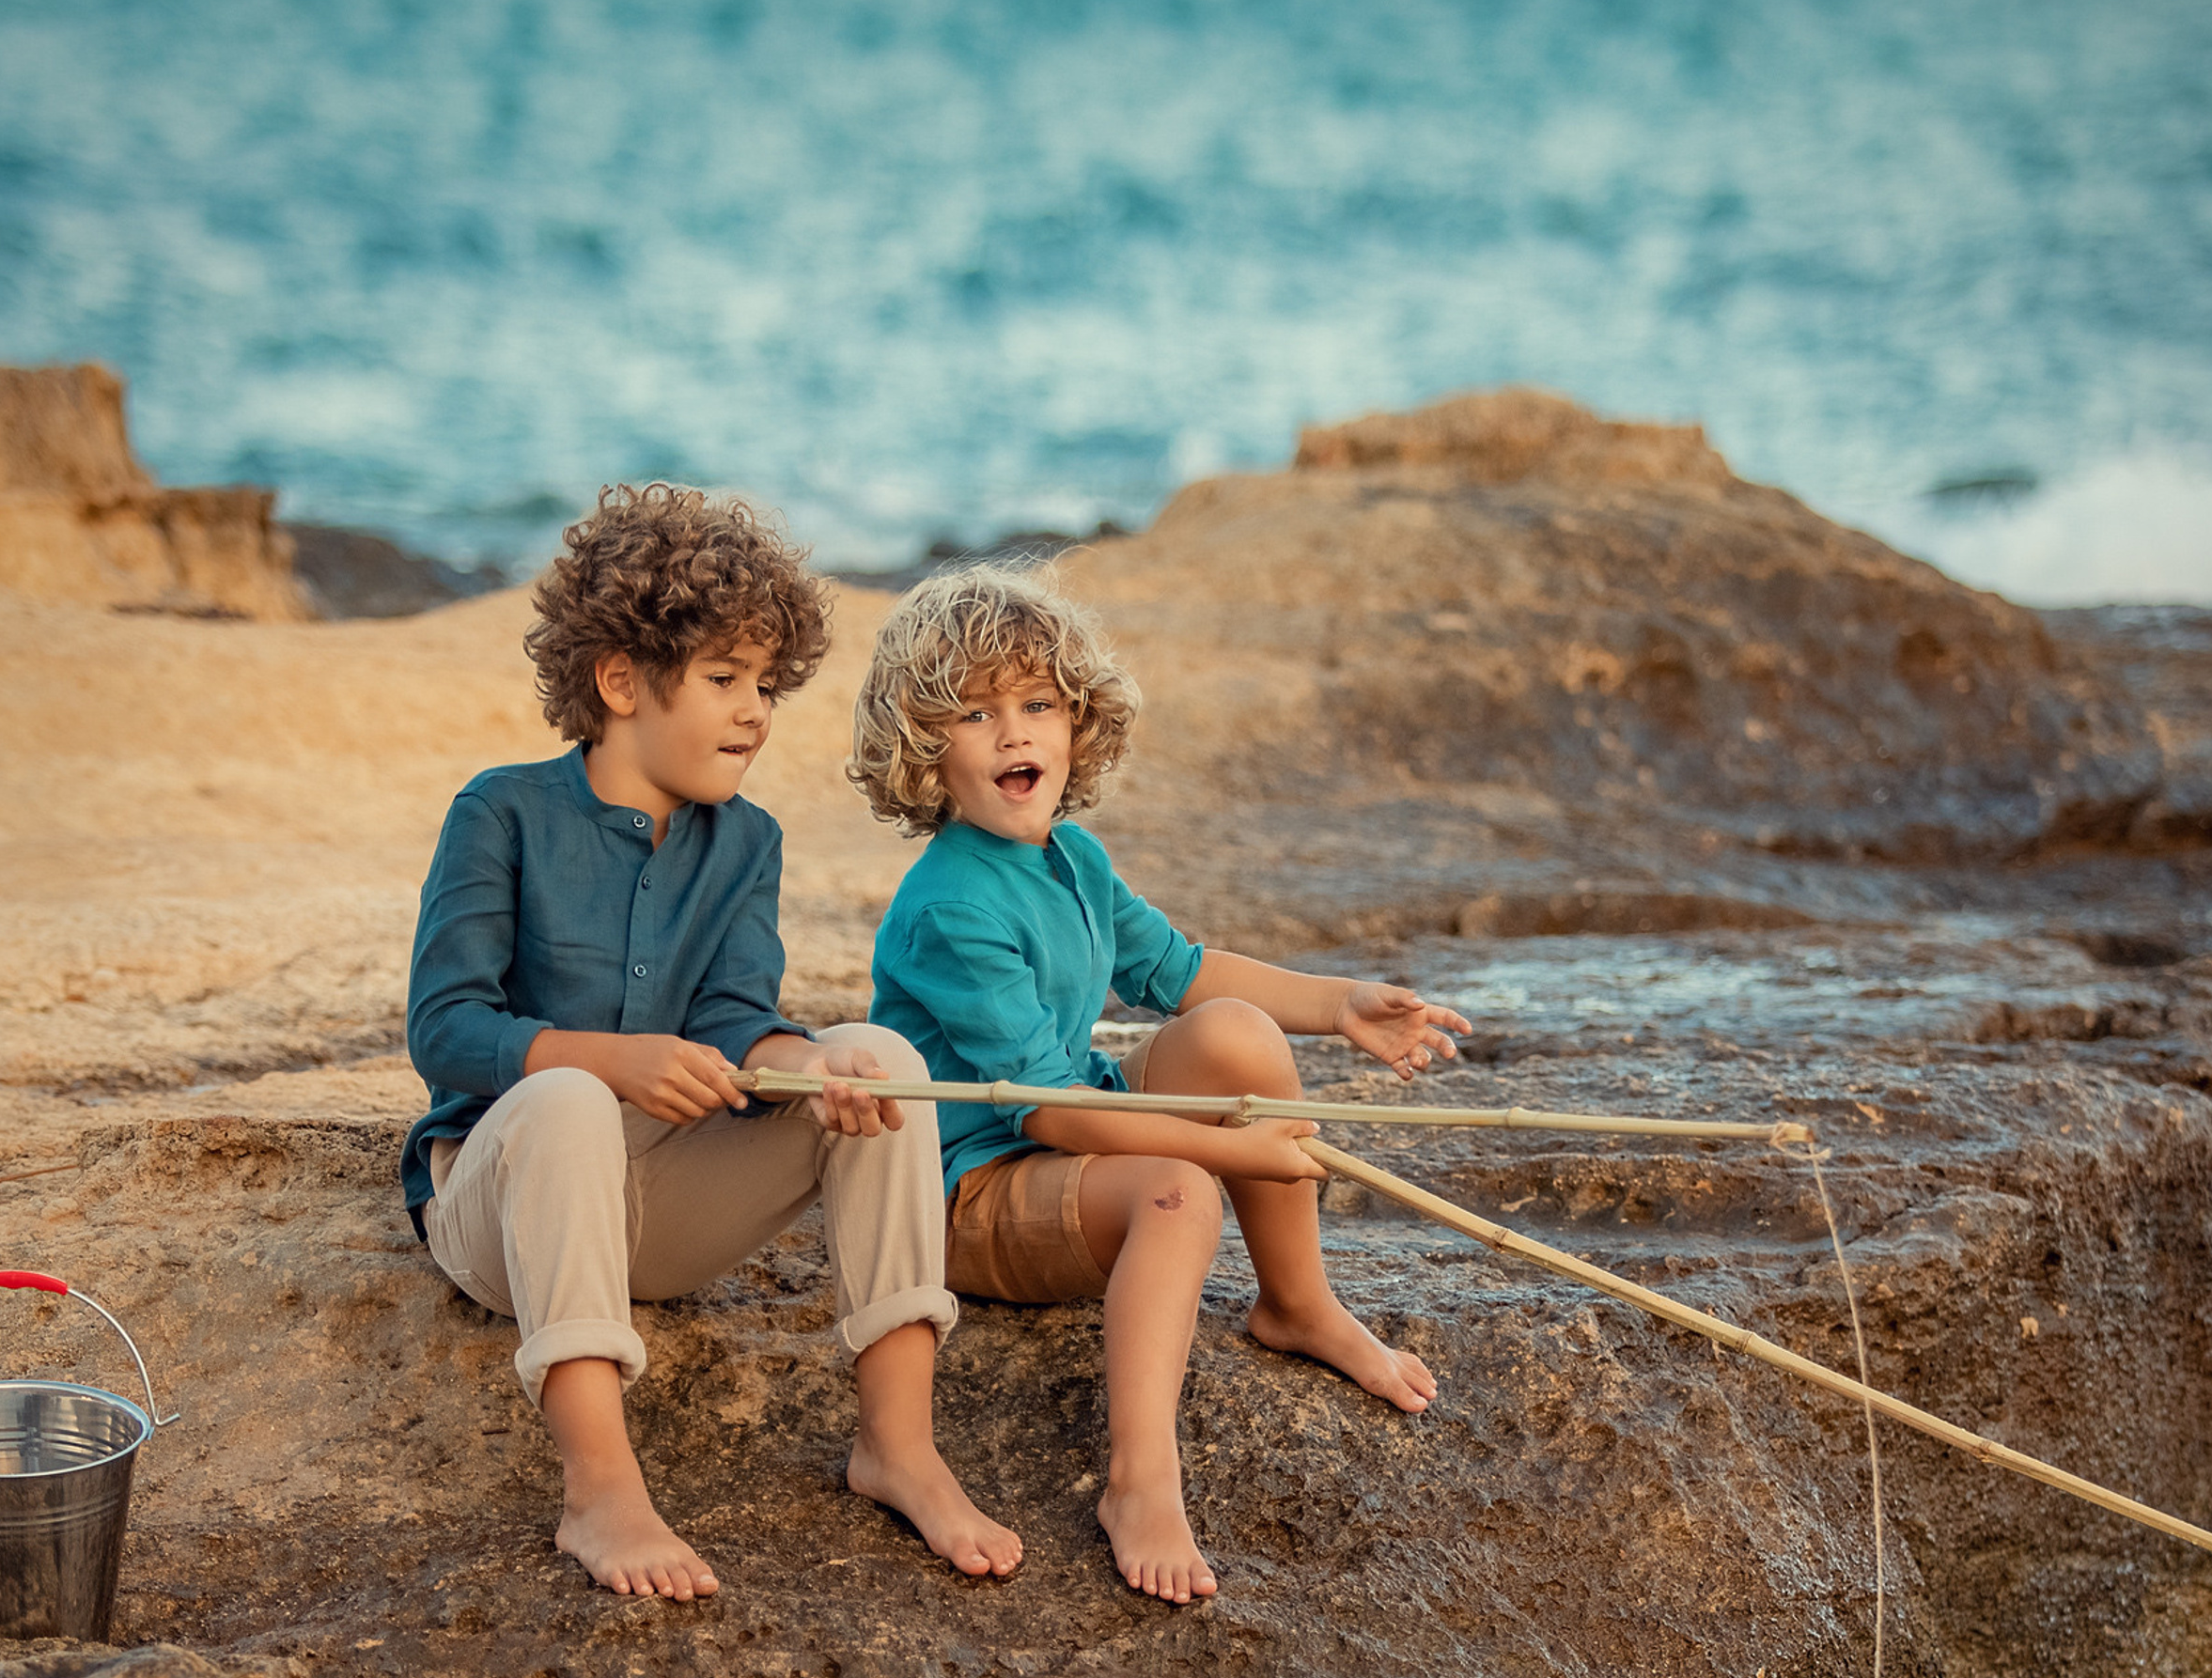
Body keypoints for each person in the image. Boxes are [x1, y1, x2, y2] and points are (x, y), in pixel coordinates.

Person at [400, 485, 1022, 1601]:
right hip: (508, 1213)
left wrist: (803, 1068)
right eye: (725, 679)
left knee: (880, 1060)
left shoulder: (749, 843)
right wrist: (604, 1058)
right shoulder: (499, 813)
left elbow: (740, 1021)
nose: (755, 713)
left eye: (768, 685)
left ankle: (899, 1445)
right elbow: (445, 1031)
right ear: (622, 680)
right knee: (570, 1102)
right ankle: (600, 1488)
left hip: (664, 1212)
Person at [852, 565, 1472, 1607]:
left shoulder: (1074, 859)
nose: (1016, 734)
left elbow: (1182, 974)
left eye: (1037, 704)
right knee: (1177, 1191)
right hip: (974, 1189)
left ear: (1076, 722)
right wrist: (1232, 1150)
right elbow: (1043, 1108)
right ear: (926, 751)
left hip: (1069, 1132)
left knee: (1233, 1033)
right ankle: (1141, 1480)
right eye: (976, 713)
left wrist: (1338, 1003)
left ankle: (1298, 1304)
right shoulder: (949, 905)